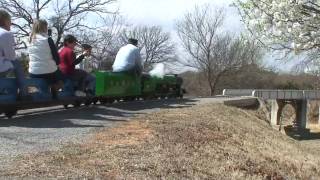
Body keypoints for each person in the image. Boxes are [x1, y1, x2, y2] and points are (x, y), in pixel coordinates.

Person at [28, 19, 64, 99]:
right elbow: (56, 57)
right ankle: (55, 88)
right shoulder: (47, 39)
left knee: (49, 72)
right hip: (48, 72)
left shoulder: (29, 39)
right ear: (44, 27)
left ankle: (45, 91)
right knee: (62, 77)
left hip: (33, 73)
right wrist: (57, 64)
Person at [0, 9, 29, 99]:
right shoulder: (5, 33)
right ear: (5, 20)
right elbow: (11, 57)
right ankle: (24, 93)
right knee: (16, 63)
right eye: (10, 20)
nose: (11, 23)